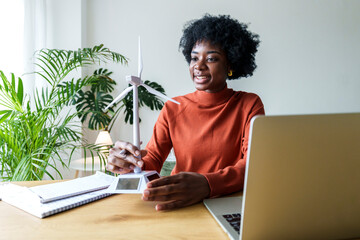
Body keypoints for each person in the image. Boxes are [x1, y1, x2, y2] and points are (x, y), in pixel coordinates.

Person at [106, 14, 265, 211]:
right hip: (178, 203)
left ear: (230, 64)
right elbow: (153, 160)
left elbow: (251, 165)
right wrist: (129, 164)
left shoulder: (249, 104)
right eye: (194, 58)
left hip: (228, 204)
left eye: (212, 58)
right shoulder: (174, 107)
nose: (199, 66)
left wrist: (207, 184)